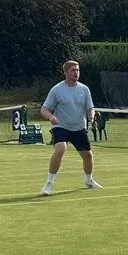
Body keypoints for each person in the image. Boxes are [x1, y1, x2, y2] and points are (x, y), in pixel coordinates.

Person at [40, 60, 100, 195]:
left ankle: (89, 180)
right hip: (61, 126)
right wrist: (51, 117)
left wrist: (91, 117)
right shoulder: (56, 90)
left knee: (88, 156)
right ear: (66, 72)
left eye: (77, 70)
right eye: (73, 70)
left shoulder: (84, 89)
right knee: (61, 148)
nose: (76, 73)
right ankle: (49, 184)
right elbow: (44, 109)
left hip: (79, 128)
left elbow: (90, 108)